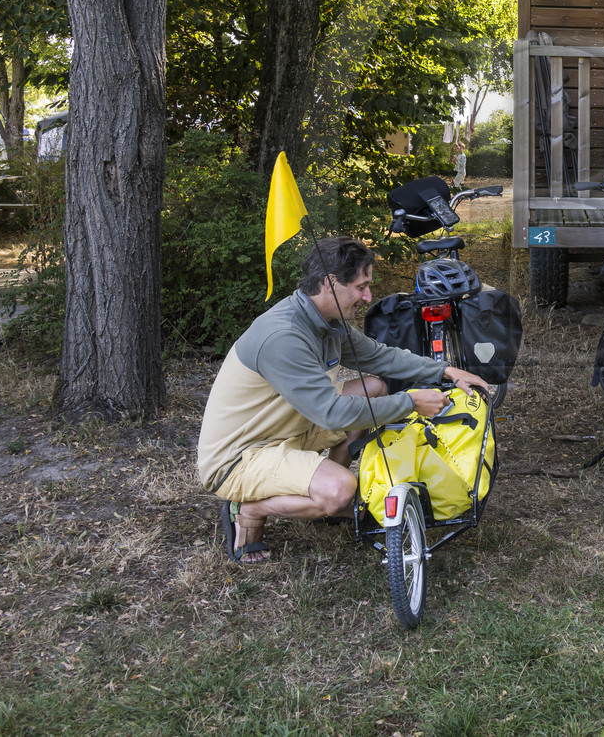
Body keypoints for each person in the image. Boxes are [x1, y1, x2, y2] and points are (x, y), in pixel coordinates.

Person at [197, 235, 492, 563]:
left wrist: (448, 372)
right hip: (240, 457)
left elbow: (380, 357)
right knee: (342, 489)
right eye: (361, 287)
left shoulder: (327, 321)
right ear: (329, 282)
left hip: (286, 429)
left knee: (375, 387)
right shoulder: (284, 337)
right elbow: (333, 413)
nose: (368, 296)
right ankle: (250, 508)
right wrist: (411, 403)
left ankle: (322, 502)